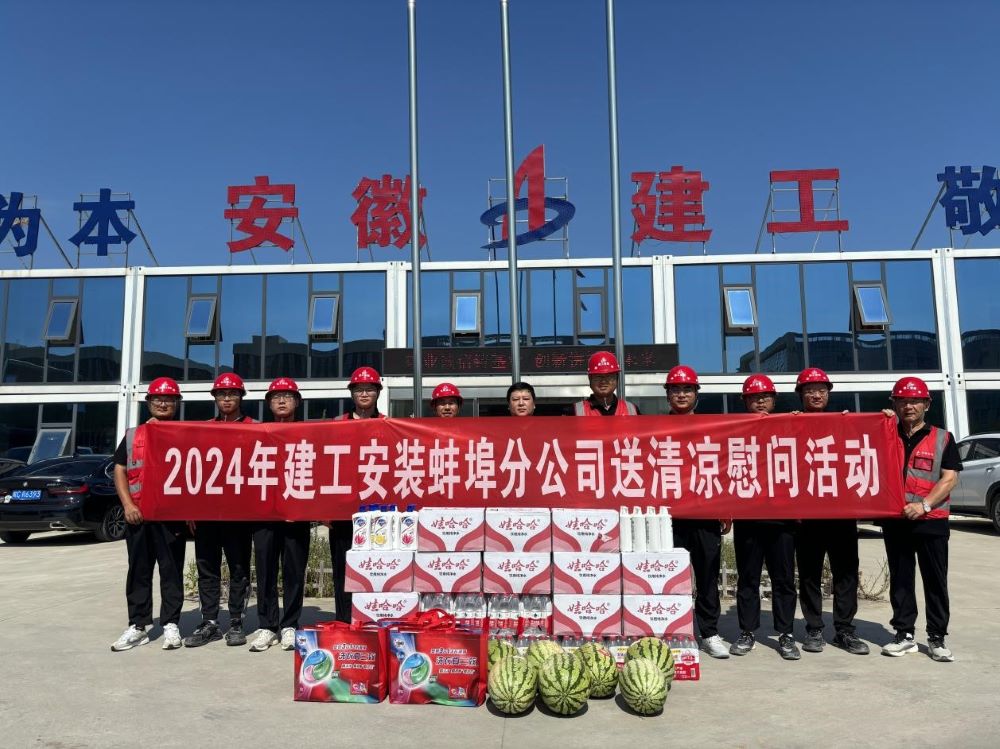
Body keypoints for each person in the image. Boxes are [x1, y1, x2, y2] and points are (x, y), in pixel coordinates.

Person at [879, 377, 960, 661]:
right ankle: (904, 634)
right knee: (901, 580)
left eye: (915, 401)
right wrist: (879, 420)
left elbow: (949, 479)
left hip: (931, 520)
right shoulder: (885, 432)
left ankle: (937, 638)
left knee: (935, 581)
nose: (909, 406)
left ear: (927, 404)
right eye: (902, 401)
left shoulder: (943, 438)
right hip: (896, 520)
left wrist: (923, 506)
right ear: (895, 404)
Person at [792, 367, 869, 655]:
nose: (815, 395)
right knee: (809, 574)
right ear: (800, 395)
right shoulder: (791, 425)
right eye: (809, 390)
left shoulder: (844, 423)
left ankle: (845, 630)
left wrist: (884, 418)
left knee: (846, 573)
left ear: (828, 394)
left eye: (821, 390)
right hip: (807, 515)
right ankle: (814, 629)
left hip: (840, 513)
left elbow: (869, 443)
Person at [110, 377, 187, 652]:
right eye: (158, 399)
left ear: (176, 404)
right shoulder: (133, 435)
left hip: (171, 517)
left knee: (171, 571)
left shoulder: (185, 434)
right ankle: (138, 625)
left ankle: (171, 623)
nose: (163, 403)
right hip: (138, 515)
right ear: (149, 403)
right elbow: (120, 469)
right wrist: (128, 505)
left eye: (169, 400)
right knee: (139, 571)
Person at [729, 374, 800, 660]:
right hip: (748, 518)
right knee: (748, 579)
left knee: (784, 579)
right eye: (754, 397)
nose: (760, 401)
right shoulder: (734, 430)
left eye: (765, 397)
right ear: (745, 401)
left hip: (782, 519)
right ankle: (747, 631)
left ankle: (786, 633)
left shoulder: (789, 426)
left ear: (774, 400)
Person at [184, 372, 256, 648]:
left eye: (232, 394)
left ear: (241, 397)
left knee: (239, 569)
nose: (227, 398)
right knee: (207, 569)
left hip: (239, 514)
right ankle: (210, 622)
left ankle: (236, 621)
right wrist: (190, 509)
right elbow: (192, 471)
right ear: (215, 398)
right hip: (207, 513)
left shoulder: (255, 428)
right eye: (222, 394)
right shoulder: (203, 430)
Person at [664, 365, 730, 659]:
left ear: (696, 394)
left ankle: (709, 632)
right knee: (668, 576)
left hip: (705, 514)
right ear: (667, 395)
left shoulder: (712, 427)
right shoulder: (653, 428)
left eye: (687, 389)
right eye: (676, 390)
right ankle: (672, 631)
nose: (681, 394)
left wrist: (726, 508)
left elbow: (725, 469)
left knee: (706, 577)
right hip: (670, 517)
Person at [248, 377, 311, 652]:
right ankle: (267, 625)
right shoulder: (259, 433)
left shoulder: (310, 433)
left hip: (296, 515)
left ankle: (289, 625)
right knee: (265, 571)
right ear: (269, 404)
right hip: (264, 514)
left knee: (294, 571)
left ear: (297, 402)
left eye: (287, 396)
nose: (282, 401)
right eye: (276, 397)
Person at [329, 366, 386, 623]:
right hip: (342, 511)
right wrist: (324, 510)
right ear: (352, 393)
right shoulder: (336, 425)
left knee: (374, 567)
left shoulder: (387, 424)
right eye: (359, 389)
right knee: (343, 568)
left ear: (377, 393)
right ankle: (344, 620)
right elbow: (325, 469)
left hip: (377, 511)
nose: (364, 394)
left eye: (369, 389)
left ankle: (371, 618)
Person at [574, 351, 639, 416]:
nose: (603, 381)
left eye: (609, 376)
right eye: (598, 376)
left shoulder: (632, 409)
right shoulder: (574, 411)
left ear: (617, 378)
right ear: (590, 378)